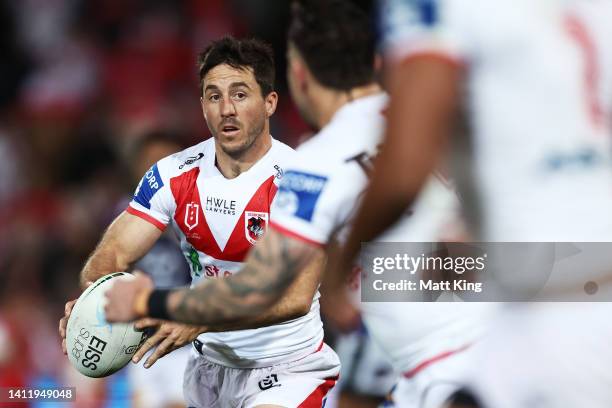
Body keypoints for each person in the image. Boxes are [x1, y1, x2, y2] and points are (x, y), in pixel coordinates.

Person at [104, 2, 491, 406]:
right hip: (500, 341)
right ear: (376, 61)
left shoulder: (314, 166)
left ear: (299, 76)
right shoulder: (427, 123)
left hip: (443, 368)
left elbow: (257, 291)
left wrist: (150, 301)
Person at [338, 1, 612, 407]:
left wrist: (337, 273)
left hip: (556, 320)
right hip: (545, 305)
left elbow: (404, 173)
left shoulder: (444, 11)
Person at [60, 37, 339, 408]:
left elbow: (296, 297)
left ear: (270, 103)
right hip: (208, 370)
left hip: (286, 369)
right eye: (213, 96)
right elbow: (114, 252)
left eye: (240, 95)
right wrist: (93, 304)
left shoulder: (300, 179)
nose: (226, 109)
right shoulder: (173, 173)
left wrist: (202, 316)